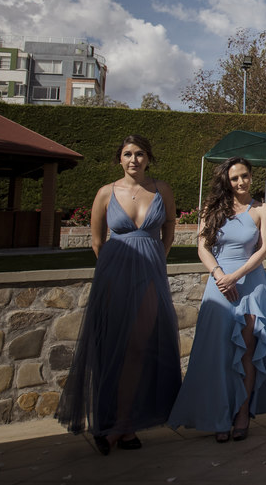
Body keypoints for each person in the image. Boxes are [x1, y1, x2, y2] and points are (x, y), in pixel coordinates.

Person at [56, 135, 182, 455]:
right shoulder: (105, 194)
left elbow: (169, 227)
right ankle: (113, 424)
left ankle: (125, 422)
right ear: (119, 159)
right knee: (111, 348)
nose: (133, 160)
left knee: (139, 346)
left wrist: (156, 257)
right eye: (127, 154)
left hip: (150, 274)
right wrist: (116, 269)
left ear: (149, 158)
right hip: (113, 276)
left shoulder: (162, 190)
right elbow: (97, 241)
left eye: (140, 154)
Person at [168, 157, 266, 441]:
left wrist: (237, 276)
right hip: (219, 285)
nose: (240, 182)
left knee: (246, 351)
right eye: (234, 178)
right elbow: (202, 246)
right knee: (219, 353)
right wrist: (220, 274)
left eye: (244, 176)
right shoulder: (213, 208)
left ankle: (242, 414)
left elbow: (264, 250)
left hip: (250, 284)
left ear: (251, 176)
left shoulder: (262, 209)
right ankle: (220, 414)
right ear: (227, 181)